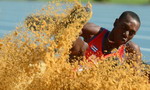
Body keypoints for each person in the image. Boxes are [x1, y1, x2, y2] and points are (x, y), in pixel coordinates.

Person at [69, 11, 142, 65]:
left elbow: (136, 77)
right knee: (79, 43)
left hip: (101, 81)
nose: (126, 34)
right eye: (124, 27)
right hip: (77, 71)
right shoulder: (93, 32)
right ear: (116, 23)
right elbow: (66, 34)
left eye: (131, 33)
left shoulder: (132, 50)